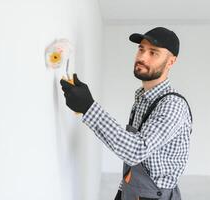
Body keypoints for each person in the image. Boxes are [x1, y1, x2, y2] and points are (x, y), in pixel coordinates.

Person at [60, 27, 193, 200]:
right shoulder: (142, 98)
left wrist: (89, 107)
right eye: (141, 49)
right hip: (134, 192)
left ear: (171, 62)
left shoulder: (173, 105)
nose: (142, 57)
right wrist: (123, 189)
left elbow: (136, 150)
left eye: (153, 52)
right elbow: (134, 156)